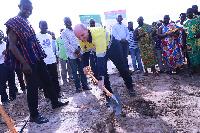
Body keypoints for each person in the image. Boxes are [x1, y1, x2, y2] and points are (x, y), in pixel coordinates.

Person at [4, 0, 68, 124]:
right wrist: (24, 64)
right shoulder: (13, 22)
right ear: (19, 7)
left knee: (48, 80)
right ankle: (34, 114)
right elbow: (12, 45)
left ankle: (55, 102)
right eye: (25, 9)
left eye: (30, 9)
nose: (28, 11)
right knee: (32, 88)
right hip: (28, 61)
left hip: (37, 58)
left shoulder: (27, 22)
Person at [74, 24, 136, 106]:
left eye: (82, 35)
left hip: (112, 47)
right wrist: (85, 66)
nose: (81, 39)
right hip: (98, 49)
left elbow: (101, 61)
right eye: (79, 37)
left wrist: (101, 78)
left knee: (122, 68)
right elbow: (85, 52)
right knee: (99, 73)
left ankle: (130, 86)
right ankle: (108, 95)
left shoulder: (98, 35)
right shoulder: (80, 39)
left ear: (86, 29)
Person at [61, 17, 90, 93]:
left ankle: (85, 85)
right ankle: (78, 88)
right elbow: (67, 45)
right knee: (74, 72)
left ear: (71, 22)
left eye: (69, 22)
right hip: (72, 56)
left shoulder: (75, 30)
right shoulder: (63, 33)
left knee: (82, 70)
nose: (68, 23)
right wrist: (75, 51)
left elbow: (80, 40)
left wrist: (79, 49)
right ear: (64, 24)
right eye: (66, 22)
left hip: (80, 53)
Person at [0, 30, 16, 104]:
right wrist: (2, 53)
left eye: (1, 34)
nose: (1, 35)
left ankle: (12, 95)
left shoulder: (6, 43)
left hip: (9, 63)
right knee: (3, 82)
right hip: (1, 65)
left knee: (12, 80)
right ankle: (4, 99)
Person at [184, 8, 200, 75]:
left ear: (192, 12)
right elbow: (184, 33)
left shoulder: (197, 20)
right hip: (189, 42)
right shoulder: (186, 23)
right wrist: (184, 43)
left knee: (198, 54)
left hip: (197, 40)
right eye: (187, 13)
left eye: (189, 12)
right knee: (191, 55)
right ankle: (193, 69)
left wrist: (198, 33)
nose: (188, 14)